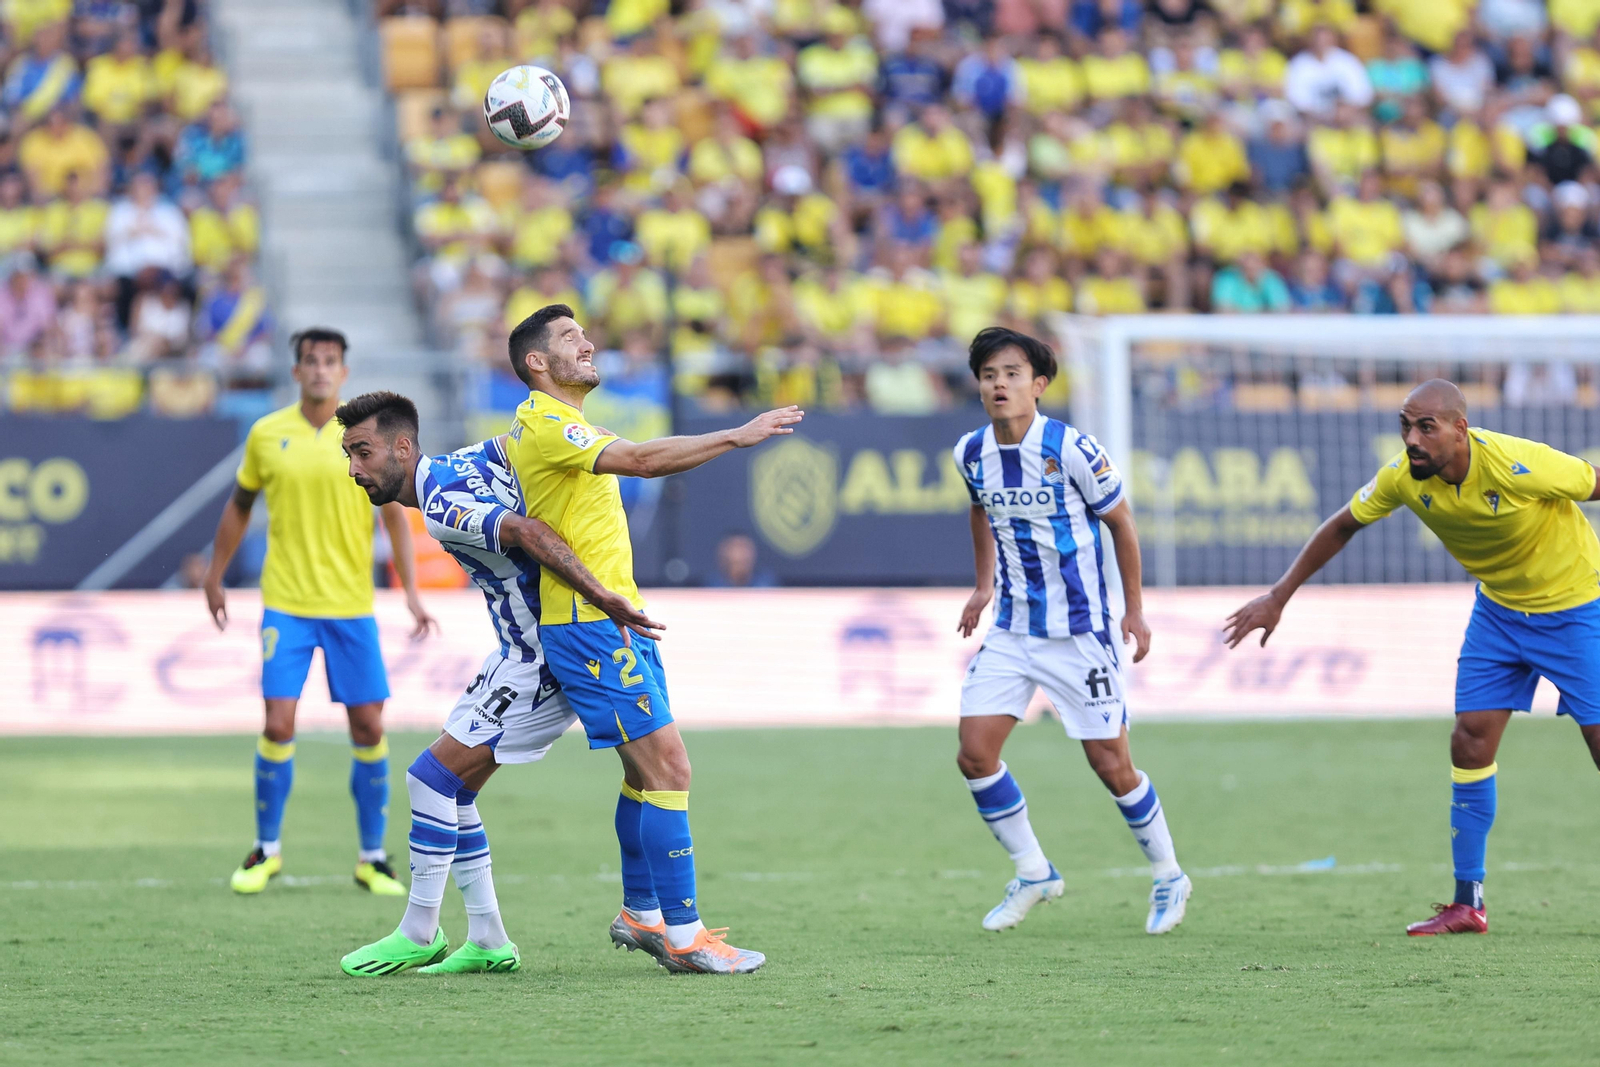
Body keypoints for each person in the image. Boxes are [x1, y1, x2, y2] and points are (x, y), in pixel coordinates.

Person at [1223, 380, 1600, 936]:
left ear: (1459, 429)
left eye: (1425, 427)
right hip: (1497, 616)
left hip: (1575, 613)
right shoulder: (1402, 476)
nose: (1411, 439)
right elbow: (1343, 524)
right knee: (1469, 741)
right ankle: (1467, 902)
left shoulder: (1524, 465)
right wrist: (1278, 596)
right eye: (1405, 425)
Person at [503, 303, 802, 974]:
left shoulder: (566, 423)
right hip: (588, 626)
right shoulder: (548, 422)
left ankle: (642, 912)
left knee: (645, 776)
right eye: (571, 340)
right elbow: (639, 460)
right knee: (671, 769)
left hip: (614, 619)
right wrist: (738, 435)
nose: (588, 344)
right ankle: (686, 935)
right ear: (537, 363)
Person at [331, 391, 661, 977]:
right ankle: (487, 938)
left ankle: (420, 930)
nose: (354, 468)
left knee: (431, 778)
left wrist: (599, 592)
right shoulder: (465, 461)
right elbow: (520, 449)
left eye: (363, 451)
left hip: (543, 654)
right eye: (348, 454)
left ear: (402, 447)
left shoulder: (439, 504)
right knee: (448, 788)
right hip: (519, 649)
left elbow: (529, 532)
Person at [953, 327, 1190, 935]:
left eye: (1011, 374)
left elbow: (1123, 525)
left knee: (1111, 765)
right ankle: (1034, 871)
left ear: (1039, 385)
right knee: (975, 754)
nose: (999, 384)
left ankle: (1169, 874)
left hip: (1080, 633)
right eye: (988, 375)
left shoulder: (1073, 449)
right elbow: (980, 507)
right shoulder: (971, 452)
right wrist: (984, 585)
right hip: (1011, 630)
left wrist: (1133, 611)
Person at [202, 328, 437, 898]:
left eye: (331, 361)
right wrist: (215, 573)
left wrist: (409, 590)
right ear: (296, 371)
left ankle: (372, 858)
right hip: (286, 603)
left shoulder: (361, 439)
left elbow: (394, 515)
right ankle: (267, 850)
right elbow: (239, 507)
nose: (320, 370)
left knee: (368, 726)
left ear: (344, 372)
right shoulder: (267, 434)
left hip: (351, 608)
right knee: (278, 722)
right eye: (311, 361)